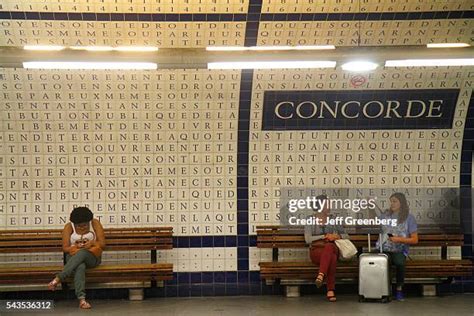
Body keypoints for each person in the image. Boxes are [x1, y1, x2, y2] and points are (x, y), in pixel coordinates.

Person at [47, 206, 105, 309]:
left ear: (89, 221)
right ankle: (82, 299)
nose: (82, 228)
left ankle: (58, 278)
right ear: (74, 224)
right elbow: (65, 248)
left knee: (82, 252)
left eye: (85, 225)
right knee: (80, 266)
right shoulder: (69, 227)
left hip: (91, 256)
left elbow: (102, 244)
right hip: (73, 256)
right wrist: (74, 247)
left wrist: (91, 243)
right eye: (79, 226)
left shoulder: (95, 223)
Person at [304, 195, 349, 302]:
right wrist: (324, 236)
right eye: (327, 204)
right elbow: (308, 239)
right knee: (332, 258)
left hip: (333, 247)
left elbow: (347, 236)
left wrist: (336, 236)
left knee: (329, 246)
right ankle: (330, 290)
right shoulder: (310, 219)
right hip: (316, 251)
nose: (330, 206)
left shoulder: (334, 219)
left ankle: (321, 275)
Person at [374, 192, 418, 301]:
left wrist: (399, 239)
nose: (392, 204)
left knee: (399, 263)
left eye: (395, 201)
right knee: (383, 263)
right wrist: (371, 205)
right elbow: (374, 222)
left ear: (401, 203)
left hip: (399, 249)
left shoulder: (409, 218)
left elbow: (415, 239)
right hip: (384, 248)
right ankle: (385, 290)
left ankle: (399, 289)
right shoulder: (385, 216)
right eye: (391, 201)